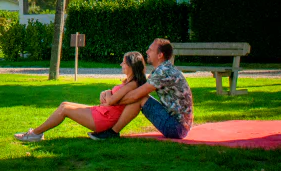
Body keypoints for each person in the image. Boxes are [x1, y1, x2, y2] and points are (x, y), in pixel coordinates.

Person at [13, 51, 147, 142]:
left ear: (131, 65)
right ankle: (36, 133)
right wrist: (106, 94)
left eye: (124, 63)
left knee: (65, 109)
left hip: (104, 118)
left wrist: (106, 93)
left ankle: (34, 134)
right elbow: (110, 100)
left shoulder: (132, 84)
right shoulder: (128, 82)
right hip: (103, 111)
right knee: (64, 104)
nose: (121, 65)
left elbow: (111, 100)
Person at [89, 38, 193, 140]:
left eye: (151, 50)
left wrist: (111, 101)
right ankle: (111, 130)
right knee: (140, 97)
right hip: (179, 125)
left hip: (176, 128)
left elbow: (135, 95)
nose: (147, 51)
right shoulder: (164, 69)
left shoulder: (163, 72)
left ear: (160, 55)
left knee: (140, 98)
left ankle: (112, 132)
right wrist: (110, 95)